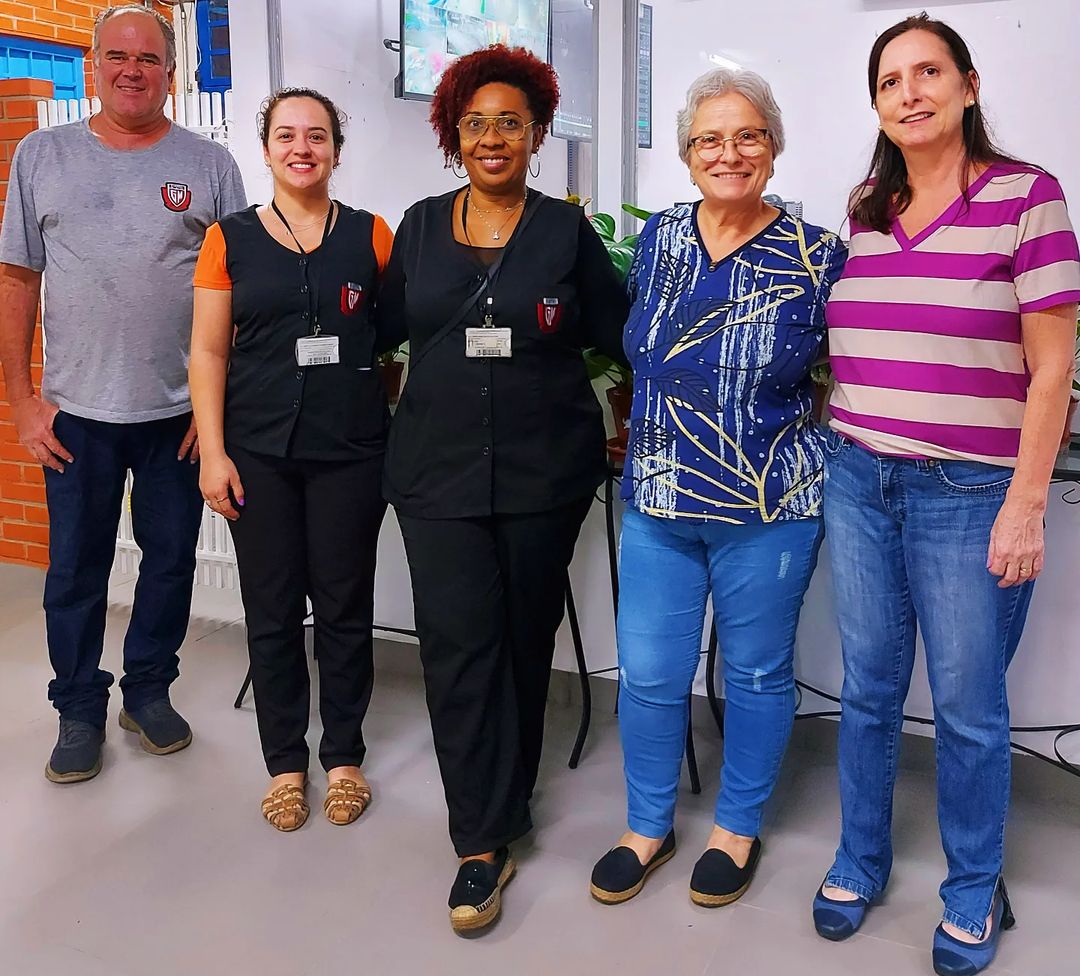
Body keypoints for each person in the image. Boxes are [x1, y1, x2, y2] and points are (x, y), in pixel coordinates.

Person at [813, 15, 1080, 976]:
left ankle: (972, 887)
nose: (910, 92)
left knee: (968, 707)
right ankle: (860, 858)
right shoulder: (866, 207)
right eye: (891, 80)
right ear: (878, 103)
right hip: (857, 479)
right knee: (871, 689)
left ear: (968, 85)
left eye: (929, 72)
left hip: (970, 492)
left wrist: (1025, 502)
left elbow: (1052, 373)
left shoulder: (1027, 197)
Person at [376, 44, 629, 932]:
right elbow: (376, 332)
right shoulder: (414, 227)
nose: (492, 137)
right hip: (436, 474)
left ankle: (509, 797)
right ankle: (479, 840)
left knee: (524, 638)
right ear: (453, 133)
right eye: (476, 122)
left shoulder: (566, 233)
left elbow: (620, 333)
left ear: (536, 133)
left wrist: (633, 416)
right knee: (457, 645)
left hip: (543, 472)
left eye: (509, 123)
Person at [587, 68, 846, 909]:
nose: (728, 153)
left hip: (767, 509)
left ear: (772, 146)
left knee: (760, 673)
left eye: (747, 136)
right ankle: (647, 825)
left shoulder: (817, 255)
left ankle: (737, 827)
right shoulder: (659, 236)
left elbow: (847, 372)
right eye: (709, 139)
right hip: (659, 499)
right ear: (686, 153)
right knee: (652, 673)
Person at [0, 5, 246, 784]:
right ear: (94, 66)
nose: (132, 69)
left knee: (170, 562)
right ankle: (77, 708)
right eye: (117, 55)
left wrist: (215, 414)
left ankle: (148, 691)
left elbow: (239, 296)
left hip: (176, 418)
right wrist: (22, 401)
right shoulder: (42, 156)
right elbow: (17, 279)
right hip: (76, 416)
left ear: (172, 72)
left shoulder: (210, 167)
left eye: (148, 57)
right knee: (74, 570)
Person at [189, 89, 394, 832]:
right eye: (286, 135)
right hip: (258, 457)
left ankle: (343, 756)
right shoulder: (228, 238)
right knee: (271, 612)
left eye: (316, 136)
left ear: (337, 149)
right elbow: (208, 350)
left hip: (350, 456)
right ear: (266, 148)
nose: (301, 147)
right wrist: (212, 452)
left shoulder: (373, 237)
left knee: (344, 607)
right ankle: (284, 763)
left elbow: (395, 341)